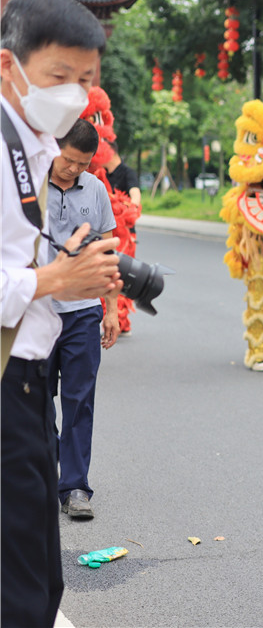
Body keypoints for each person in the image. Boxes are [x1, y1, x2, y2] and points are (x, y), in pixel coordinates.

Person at [1, 0, 121, 628]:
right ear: (7, 68)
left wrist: (64, 265)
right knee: (18, 581)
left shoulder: (36, 149)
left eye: (85, 80)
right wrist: (54, 279)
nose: (73, 94)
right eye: (58, 77)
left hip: (26, 376)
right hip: (5, 379)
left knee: (39, 566)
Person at [46, 119, 120, 520]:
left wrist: (110, 308)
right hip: (36, 312)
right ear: (54, 147)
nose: (73, 169)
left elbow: (108, 250)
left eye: (82, 164)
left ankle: (74, 486)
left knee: (78, 402)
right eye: (68, 160)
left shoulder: (95, 189)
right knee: (34, 403)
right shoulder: (29, 186)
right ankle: (40, 479)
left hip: (83, 313)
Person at [104, 139, 142, 207]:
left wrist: (133, 204)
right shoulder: (101, 173)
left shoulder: (128, 173)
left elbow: (135, 191)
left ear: (110, 152)